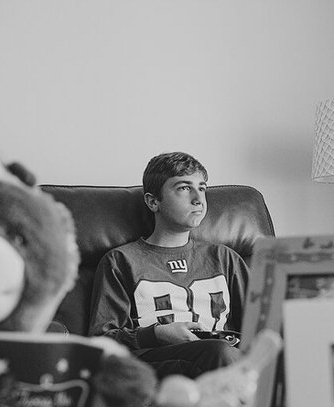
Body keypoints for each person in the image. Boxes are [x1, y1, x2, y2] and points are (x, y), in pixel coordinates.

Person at [88, 152, 248, 379]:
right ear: (153, 202)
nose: (198, 199)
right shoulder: (121, 261)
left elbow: (261, 325)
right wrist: (157, 333)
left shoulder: (225, 258)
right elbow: (101, 341)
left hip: (224, 357)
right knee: (218, 352)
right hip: (156, 363)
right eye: (184, 188)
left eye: (202, 188)